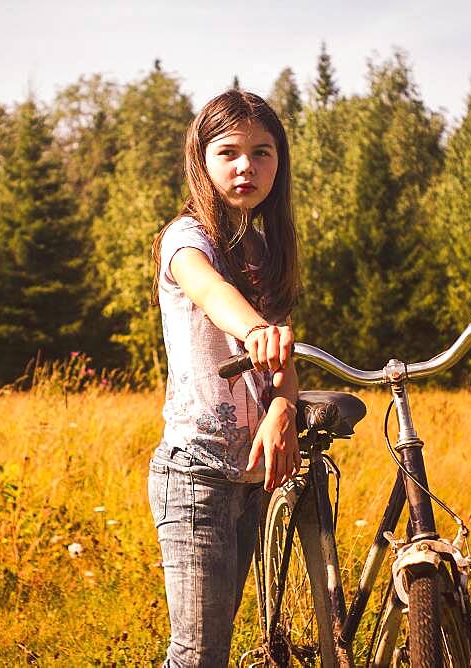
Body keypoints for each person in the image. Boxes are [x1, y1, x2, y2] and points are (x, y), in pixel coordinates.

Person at [148, 90, 301, 667]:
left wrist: (283, 407)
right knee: (198, 655)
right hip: (196, 474)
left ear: (279, 163)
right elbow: (213, 294)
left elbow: (285, 361)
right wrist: (257, 327)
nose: (246, 167)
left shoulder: (263, 247)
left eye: (262, 153)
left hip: (252, 478)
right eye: (229, 152)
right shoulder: (186, 241)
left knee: (218, 648)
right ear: (202, 161)